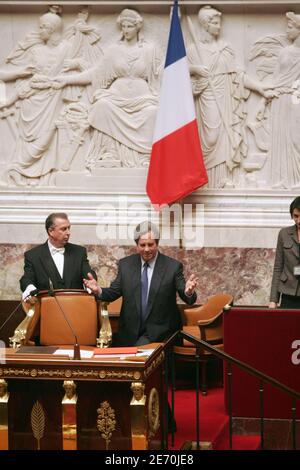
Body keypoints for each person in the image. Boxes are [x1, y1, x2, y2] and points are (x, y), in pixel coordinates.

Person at [53, 8, 160, 168]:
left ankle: (145, 156)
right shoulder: (114, 50)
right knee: (102, 106)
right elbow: (96, 73)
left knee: (153, 112)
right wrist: (67, 80)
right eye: (123, 26)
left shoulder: (149, 50)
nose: (125, 30)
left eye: (129, 26)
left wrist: (191, 70)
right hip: (116, 97)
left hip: (143, 99)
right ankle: (110, 153)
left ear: (138, 27)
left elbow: (163, 71)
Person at [188, 5, 274, 188]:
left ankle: (225, 179)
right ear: (205, 25)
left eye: (219, 23)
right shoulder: (194, 49)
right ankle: (205, 180)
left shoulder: (226, 49)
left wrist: (260, 88)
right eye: (216, 23)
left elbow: (238, 75)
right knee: (210, 137)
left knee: (228, 138)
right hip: (207, 95)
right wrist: (195, 69)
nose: (219, 27)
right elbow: (177, 74)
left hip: (226, 96)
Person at [84, 221, 198, 346]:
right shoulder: (126, 265)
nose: (147, 249)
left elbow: (185, 293)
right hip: (130, 333)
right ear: (136, 245)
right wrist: (98, 290)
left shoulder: (172, 267)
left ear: (157, 244)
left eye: (151, 244)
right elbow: (114, 291)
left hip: (161, 334)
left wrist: (188, 292)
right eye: (142, 245)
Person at [20, 212, 96, 300]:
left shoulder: (79, 252)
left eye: (69, 228)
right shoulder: (33, 255)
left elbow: (88, 274)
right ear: (51, 231)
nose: (68, 233)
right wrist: (29, 287)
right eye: (64, 229)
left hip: (75, 306)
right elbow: (26, 279)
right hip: (47, 308)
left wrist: (91, 282)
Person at [269, 197, 300, 309]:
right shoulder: (284, 234)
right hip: (288, 293)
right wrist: (273, 299)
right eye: (296, 216)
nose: (299, 220)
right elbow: (278, 267)